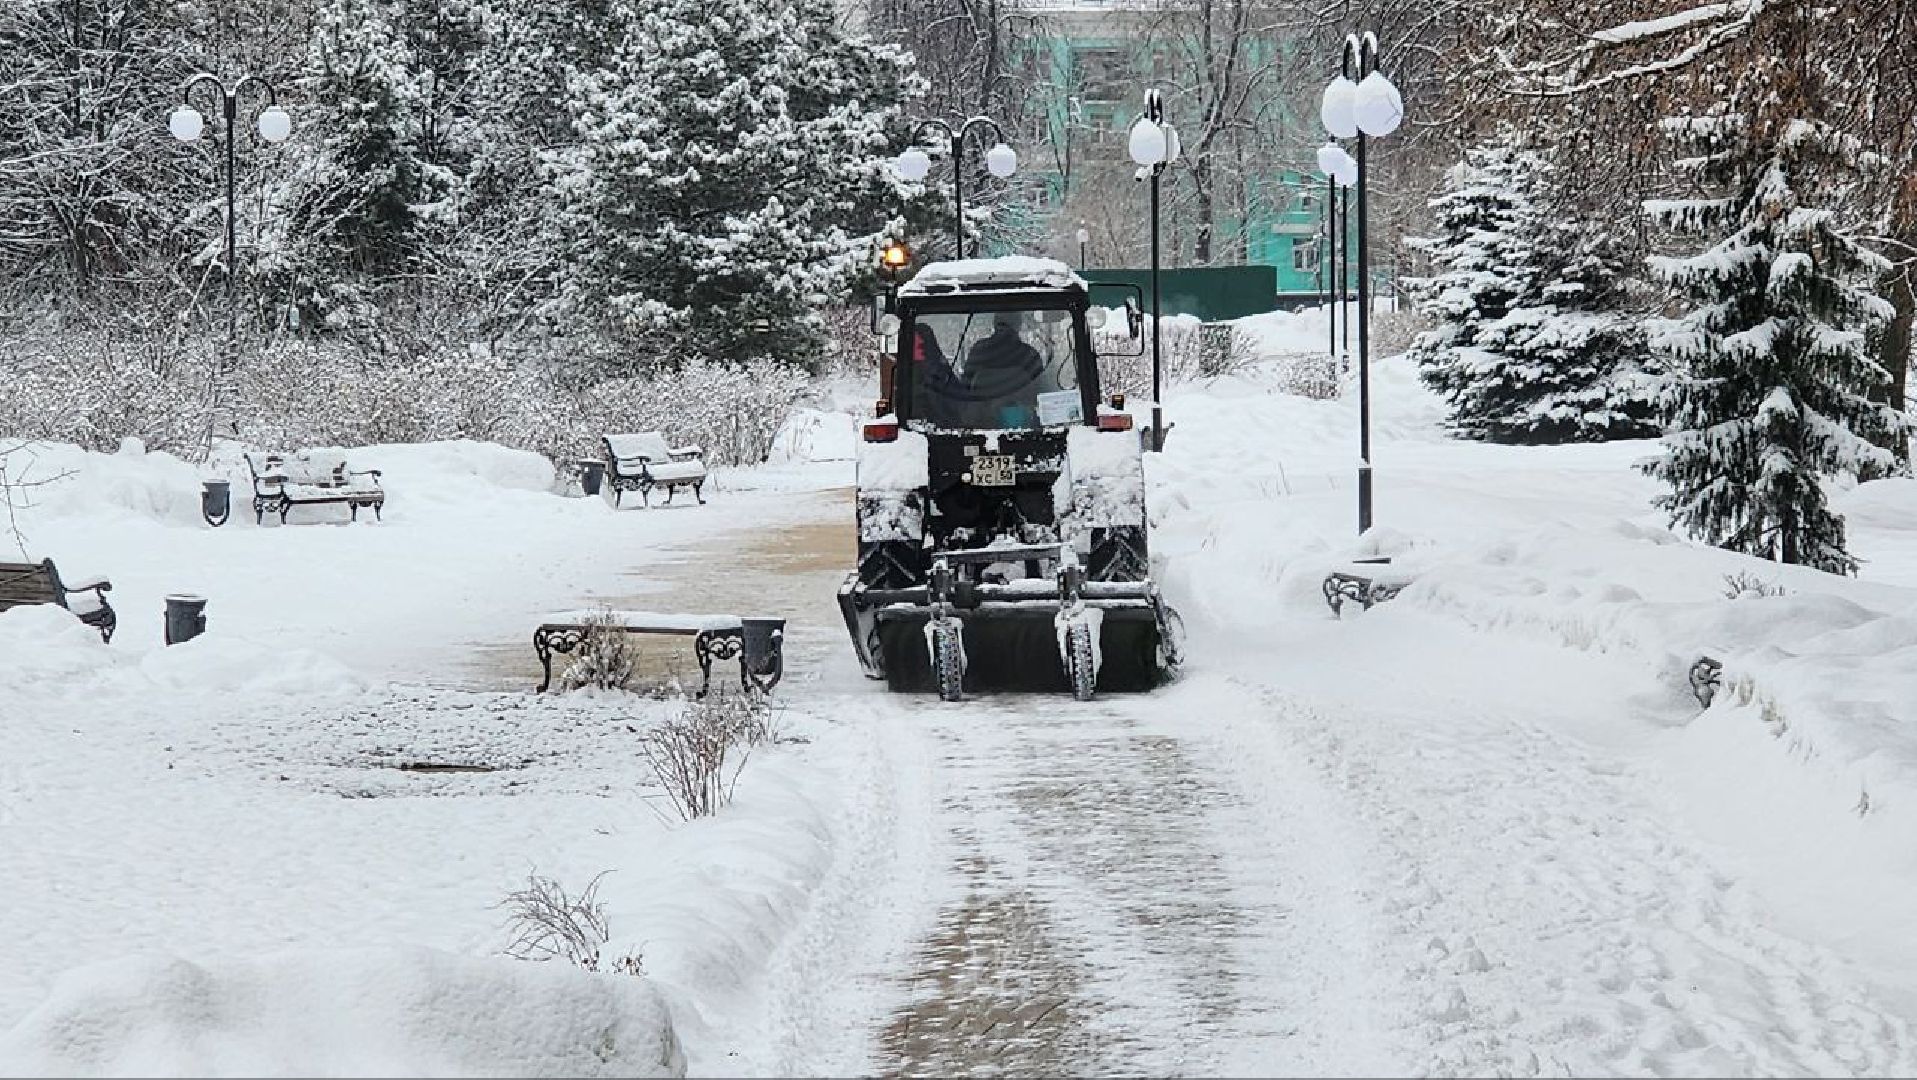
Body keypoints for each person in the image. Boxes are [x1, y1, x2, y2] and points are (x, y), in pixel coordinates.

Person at [958, 311, 1046, 426]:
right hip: (1026, 429)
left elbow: (964, 389)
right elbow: (1042, 395)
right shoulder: (1030, 355)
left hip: (981, 427)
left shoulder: (979, 351)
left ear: (994, 323)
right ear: (1018, 324)